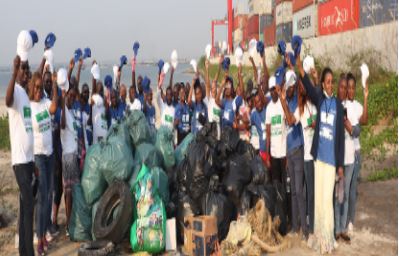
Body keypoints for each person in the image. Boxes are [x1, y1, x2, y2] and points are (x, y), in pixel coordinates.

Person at [296, 54, 345, 254]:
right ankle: (319, 238)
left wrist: (340, 165)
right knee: (318, 200)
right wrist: (299, 67)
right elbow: (308, 85)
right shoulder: (319, 100)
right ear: (323, 84)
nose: (331, 85)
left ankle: (328, 238)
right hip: (319, 160)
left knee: (327, 202)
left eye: (332, 82)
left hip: (332, 160)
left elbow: (340, 138)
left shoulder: (338, 107)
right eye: (328, 82)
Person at [6, 54, 35, 256]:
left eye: (26, 69)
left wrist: (35, 162)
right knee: (29, 206)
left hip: (29, 160)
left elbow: (28, 130)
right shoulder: (15, 91)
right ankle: (28, 252)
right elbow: (7, 101)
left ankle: (24, 251)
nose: (25, 73)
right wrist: (14, 70)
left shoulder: (25, 94)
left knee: (26, 207)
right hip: (19, 161)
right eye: (22, 70)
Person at [29, 71, 58, 254]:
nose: (39, 90)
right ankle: (39, 238)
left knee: (48, 196)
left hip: (50, 155)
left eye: (41, 87)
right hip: (38, 156)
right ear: (32, 87)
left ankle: (43, 233)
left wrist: (54, 85)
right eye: (37, 87)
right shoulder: (30, 107)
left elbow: (54, 107)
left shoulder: (45, 103)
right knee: (41, 200)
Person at [278, 67, 308, 239]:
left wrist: (283, 101)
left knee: (299, 190)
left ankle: (304, 228)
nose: (287, 91)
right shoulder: (288, 102)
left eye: (289, 88)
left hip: (298, 150)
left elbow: (290, 120)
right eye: (286, 89)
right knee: (294, 192)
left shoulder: (297, 104)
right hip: (290, 152)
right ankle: (296, 226)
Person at [346, 72, 368, 235]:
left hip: (356, 153)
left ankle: (350, 222)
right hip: (345, 153)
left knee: (353, 190)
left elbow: (365, 120)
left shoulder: (358, 105)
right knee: (343, 190)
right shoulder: (342, 104)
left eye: (354, 88)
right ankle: (343, 219)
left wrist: (366, 97)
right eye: (349, 88)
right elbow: (353, 130)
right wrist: (354, 129)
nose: (351, 91)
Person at [60, 84, 79, 236]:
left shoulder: (71, 111)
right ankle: (68, 225)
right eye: (69, 96)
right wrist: (62, 94)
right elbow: (62, 124)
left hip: (75, 155)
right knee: (68, 193)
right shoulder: (64, 111)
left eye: (74, 96)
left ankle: (71, 222)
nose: (72, 98)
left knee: (73, 192)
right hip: (67, 157)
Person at [265, 75, 287, 185]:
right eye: (271, 90)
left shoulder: (283, 103)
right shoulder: (268, 108)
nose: (273, 92)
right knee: (276, 184)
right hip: (273, 154)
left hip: (284, 153)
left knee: (286, 184)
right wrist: (268, 156)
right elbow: (268, 133)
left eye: (274, 89)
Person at [204, 57, 222, 139]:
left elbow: (216, 79)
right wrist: (207, 69)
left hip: (218, 130)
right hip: (210, 130)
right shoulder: (209, 99)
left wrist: (219, 66)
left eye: (215, 87)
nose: (213, 89)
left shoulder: (219, 100)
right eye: (212, 88)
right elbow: (207, 84)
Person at [90, 64, 107, 143]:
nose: (100, 92)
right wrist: (94, 75)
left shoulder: (104, 104)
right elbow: (93, 92)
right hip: (96, 138)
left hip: (105, 136)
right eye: (99, 90)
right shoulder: (94, 100)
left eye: (101, 90)